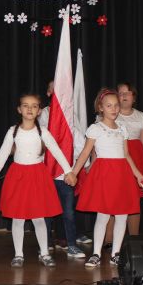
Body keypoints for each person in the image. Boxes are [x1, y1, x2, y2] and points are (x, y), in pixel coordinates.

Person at [0, 94, 77, 267]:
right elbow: (3, 153)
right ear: (19, 109)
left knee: (38, 217)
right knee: (17, 218)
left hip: (37, 177)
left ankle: (45, 253)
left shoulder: (43, 132)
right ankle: (18, 255)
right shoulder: (13, 131)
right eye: (25, 105)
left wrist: (68, 171)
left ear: (39, 111)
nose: (30, 109)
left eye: (34, 106)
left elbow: (56, 151)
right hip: (18, 177)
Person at [71, 89, 143, 268]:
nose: (113, 109)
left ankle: (116, 253)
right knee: (103, 215)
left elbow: (127, 155)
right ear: (101, 108)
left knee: (122, 215)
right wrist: (74, 172)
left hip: (122, 175)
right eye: (109, 106)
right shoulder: (96, 128)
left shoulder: (122, 129)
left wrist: (138, 175)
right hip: (105, 174)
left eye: (116, 105)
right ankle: (96, 253)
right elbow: (85, 152)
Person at [38, 79, 87, 259]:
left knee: (69, 212)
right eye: (54, 90)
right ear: (49, 93)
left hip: (66, 175)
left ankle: (71, 244)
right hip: (47, 173)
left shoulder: (70, 119)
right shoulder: (43, 115)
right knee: (46, 212)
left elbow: (82, 145)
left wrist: (78, 168)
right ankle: (44, 246)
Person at [115, 82, 143, 235]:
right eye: (120, 93)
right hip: (116, 159)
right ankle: (109, 241)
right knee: (114, 199)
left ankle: (133, 238)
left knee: (133, 199)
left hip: (136, 161)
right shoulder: (110, 114)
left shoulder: (141, 117)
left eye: (127, 93)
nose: (124, 96)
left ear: (133, 97)